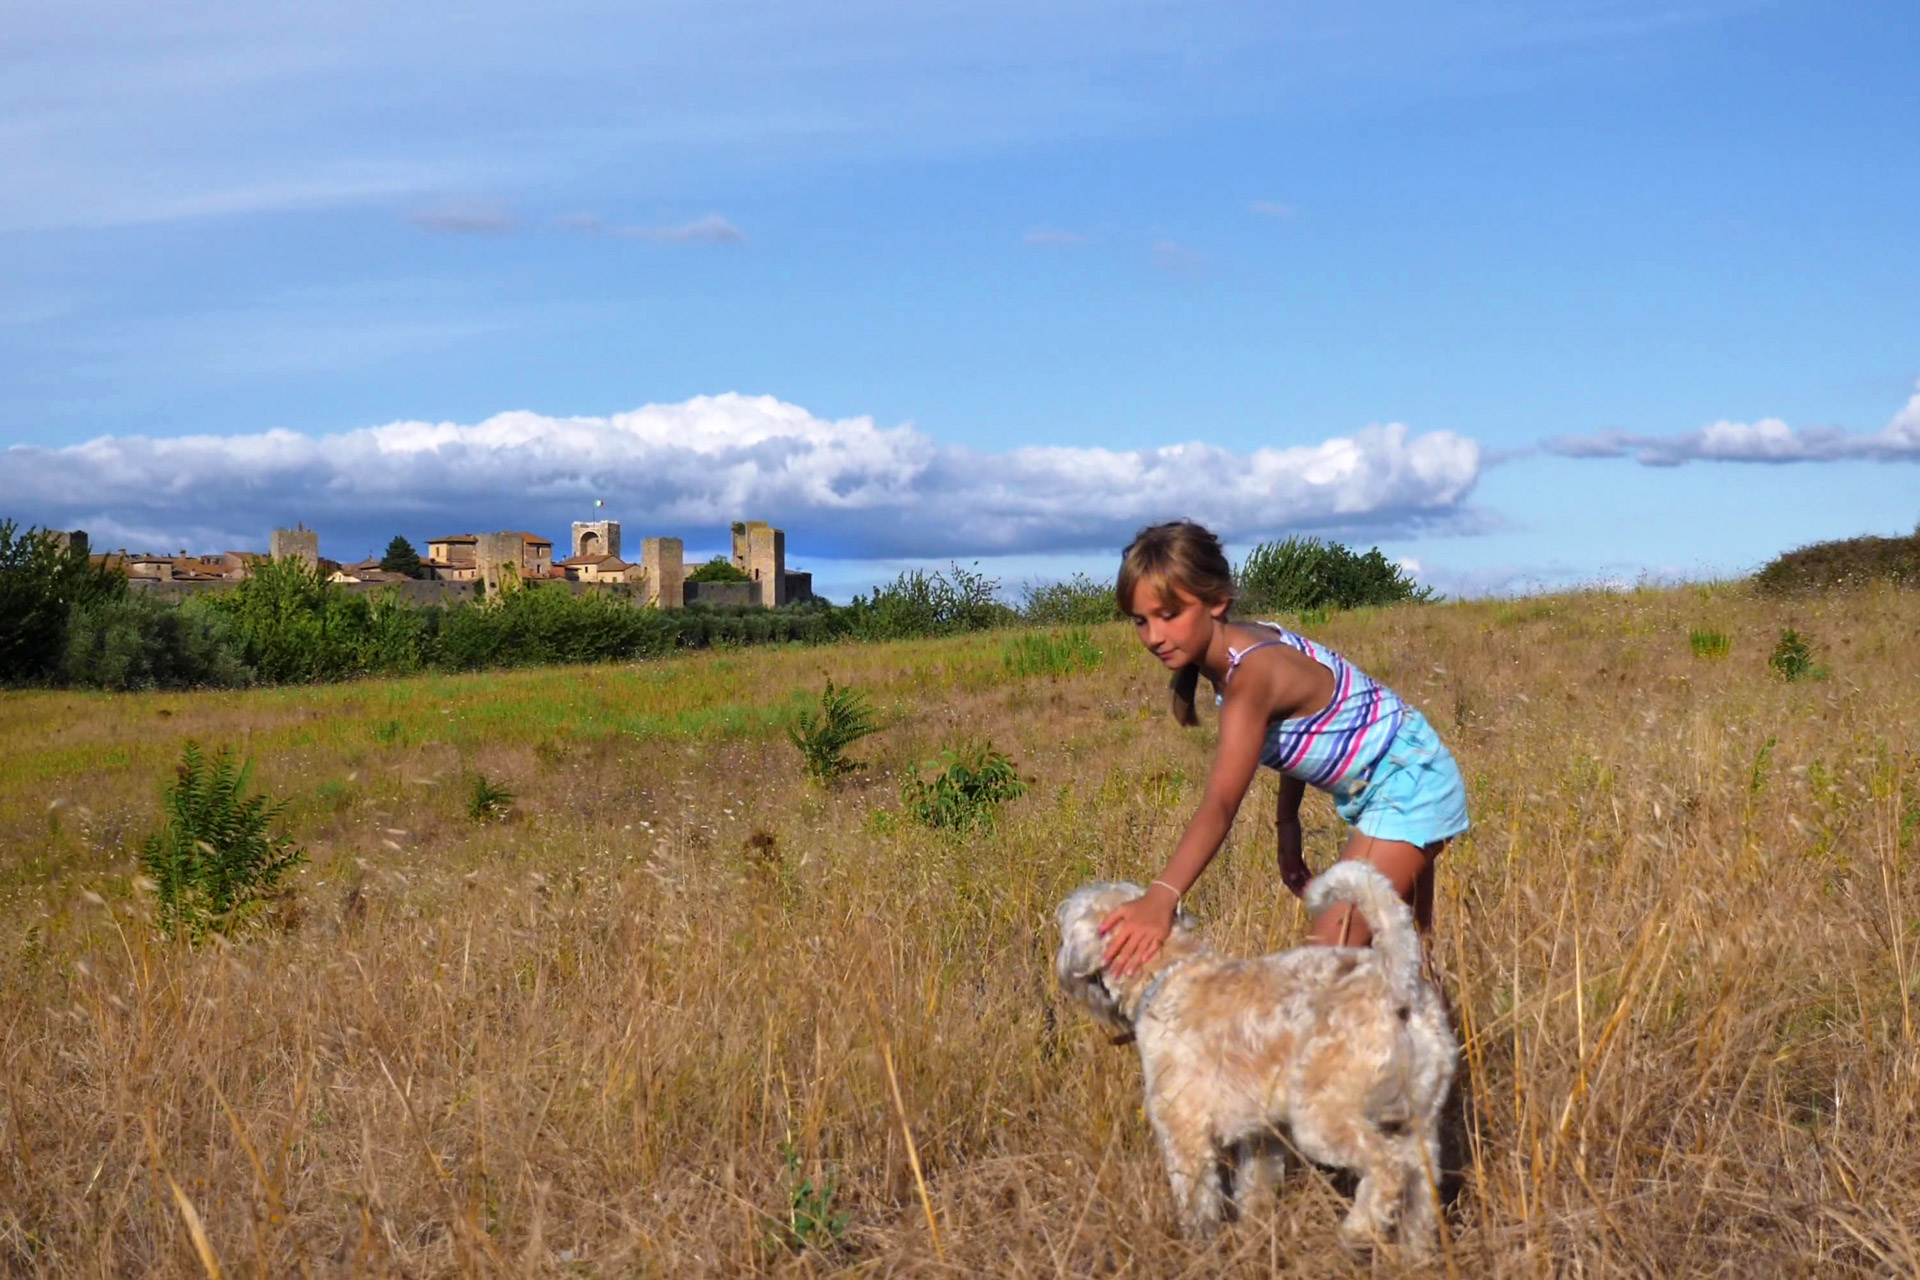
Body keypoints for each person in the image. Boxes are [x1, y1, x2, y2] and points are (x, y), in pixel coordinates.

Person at [1099, 520, 1470, 976]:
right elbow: (1309, 730)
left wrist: (1161, 898)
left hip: (1409, 785)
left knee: (1325, 968)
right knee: (1406, 972)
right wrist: (1288, 825)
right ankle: (1451, 1047)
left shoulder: (1251, 676)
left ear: (1217, 601)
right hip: (1403, 775)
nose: (1154, 636)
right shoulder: (1239, 652)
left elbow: (1220, 804)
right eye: (1141, 620)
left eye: (1169, 614)